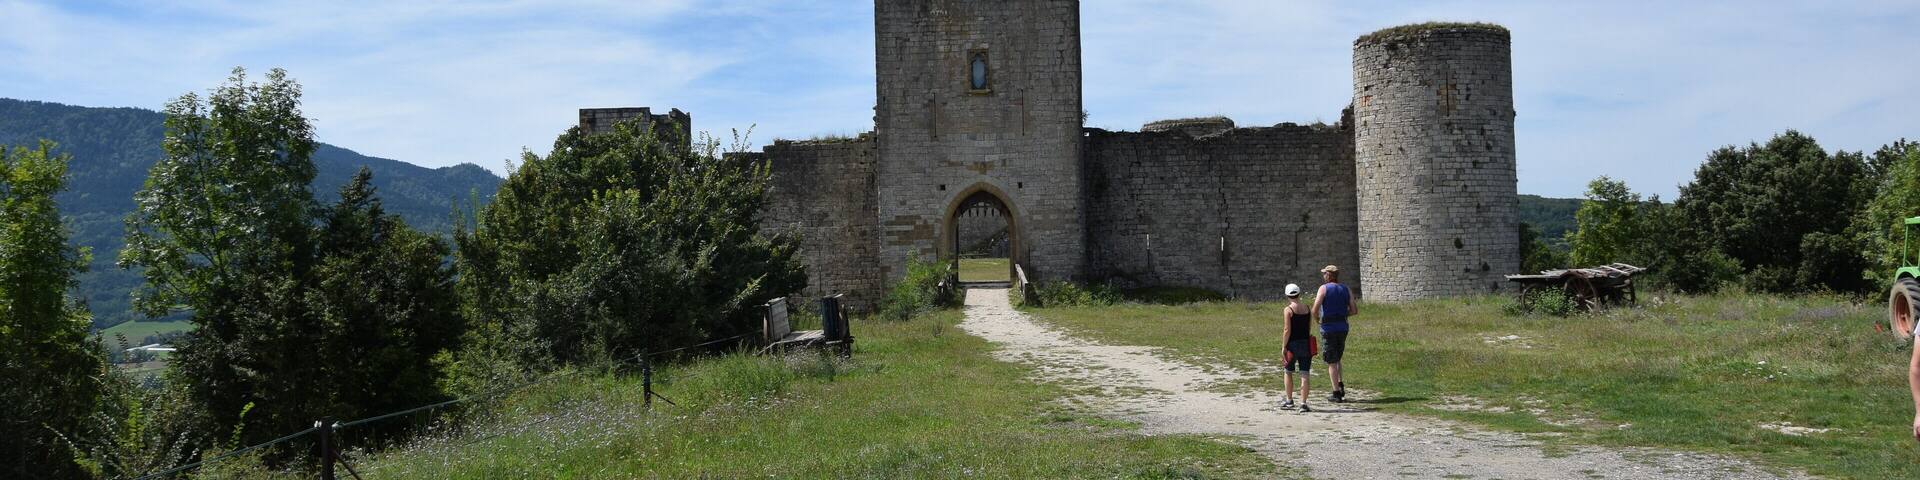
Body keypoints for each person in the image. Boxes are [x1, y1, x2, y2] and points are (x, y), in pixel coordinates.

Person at [1312, 265, 1357, 403]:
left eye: (1325, 273)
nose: (1323, 276)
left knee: (1331, 361)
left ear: (1329, 275)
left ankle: (1336, 393)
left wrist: (1317, 319)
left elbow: (1315, 308)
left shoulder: (1323, 288)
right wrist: (1343, 315)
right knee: (1337, 358)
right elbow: (1354, 310)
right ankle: (1340, 384)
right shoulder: (1346, 288)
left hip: (1329, 328)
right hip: (1343, 327)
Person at [1280, 283, 1314, 412]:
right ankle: (1303, 403)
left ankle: (1289, 400)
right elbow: (1309, 326)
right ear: (1299, 294)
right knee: (1304, 373)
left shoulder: (1288, 310)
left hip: (1292, 344)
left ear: (1287, 295)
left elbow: (1287, 329)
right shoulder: (1307, 308)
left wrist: (1284, 346)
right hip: (1305, 343)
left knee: (1288, 371)